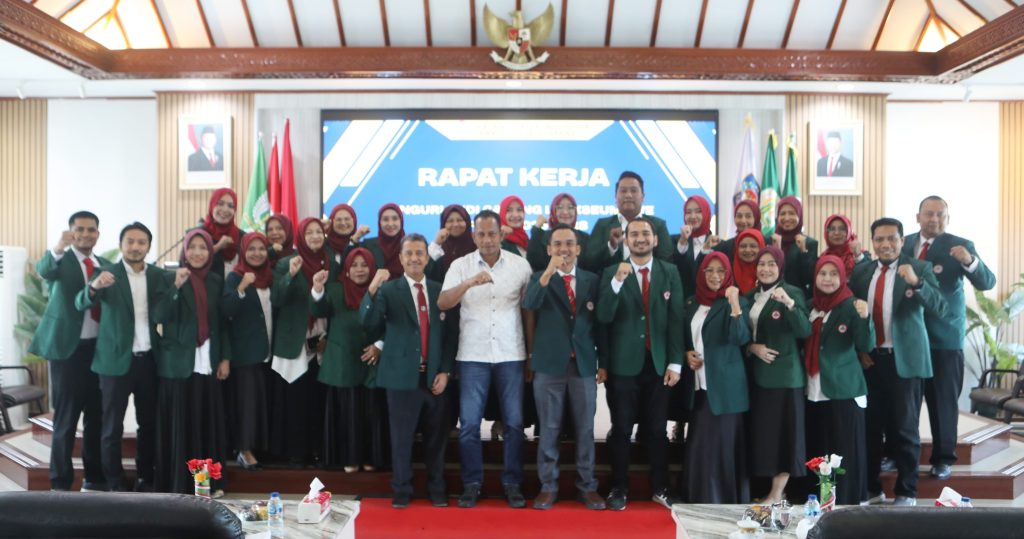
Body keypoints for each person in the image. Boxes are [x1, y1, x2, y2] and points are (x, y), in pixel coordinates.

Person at [438, 210, 533, 509]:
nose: (487, 239)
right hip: (472, 355)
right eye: (481, 234)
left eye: (492, 233)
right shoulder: (460, 265)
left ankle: (513, 484)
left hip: (511, 354)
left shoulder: (520, 266)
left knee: (514, 424)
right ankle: (472, 484)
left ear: (501, 234)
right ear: (474, 236)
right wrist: (467, 284)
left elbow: (528, 311)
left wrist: (530, 355)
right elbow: (443, 302)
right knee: (468, 425)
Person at [851, 217, 946, 506]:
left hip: (905, 362)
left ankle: (906, 491)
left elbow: (940, 308)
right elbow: (853, 315)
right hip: (870, 362)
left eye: (892, 238)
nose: (886, 244)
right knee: (869, 428)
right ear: (873, 242)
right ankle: (871, 488)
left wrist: (917, 283)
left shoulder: (919, 268)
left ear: (902, 241)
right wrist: (859, 349)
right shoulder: (862, 272)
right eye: (879, 239)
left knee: (905, 429)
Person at [903, 196, 996, 480]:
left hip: (943, 338)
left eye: (940, 215)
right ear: (918, 216)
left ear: (947, 219)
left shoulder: (960, 245)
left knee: (943, 402)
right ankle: (898, 454)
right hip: (907, 337)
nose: (934, 219)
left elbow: (987, 282)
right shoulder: (903, 243)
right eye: (929, 214)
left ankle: (943, 458)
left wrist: (970, 261)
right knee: (904, 403)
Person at [75, 222, 170, 492]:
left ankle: (145, 478)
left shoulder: (159, 276)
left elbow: (166, 310)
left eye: (141, 242)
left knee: (148, 424)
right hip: (114, 362)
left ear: (149, 246)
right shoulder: (107, 273)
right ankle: (114, 483)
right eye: (130, 241)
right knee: (111, 427)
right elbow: (81, 302)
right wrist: (94, 287)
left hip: (149, 360)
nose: (135, 247)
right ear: (121, 244)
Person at [597, 217, 683, 511]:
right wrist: (617, 283)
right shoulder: (612, 272)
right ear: (626, 240)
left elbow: (676, 319)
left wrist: (675, 362)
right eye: (634, 234)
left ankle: (661, 487)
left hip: (658, 364)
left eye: (646, 233)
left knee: (657, 429)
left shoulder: (670, 272)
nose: (641, 238)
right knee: (621, 428)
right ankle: (619, 487)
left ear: (655, 239)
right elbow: (603, 316)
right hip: (623, 365)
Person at [361, 234, 451, 509]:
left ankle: (437, 489)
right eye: (409, 253)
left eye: (419, 253)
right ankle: (401, 489)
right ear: (400, 259)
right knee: (401, 438)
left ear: (427, 257)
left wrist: (446, 371)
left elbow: (450, 335)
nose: (414, 258)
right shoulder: (390, 290)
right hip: (401, 378)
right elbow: (369, 323)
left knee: (437, 439)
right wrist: (372, 289)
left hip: (434, 377)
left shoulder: (439, 290)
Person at [522, 224, 605, 511]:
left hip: (583, 364)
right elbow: (530, 303)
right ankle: (548, 487)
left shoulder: (591, 280)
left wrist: (603, 362)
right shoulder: (539, 277)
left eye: (569, 243)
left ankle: (587, 486)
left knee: (585, 428)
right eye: (557, 244)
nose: (563, 249)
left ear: (578, 248)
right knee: (549, 428)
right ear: (549, 249)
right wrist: (547, 272)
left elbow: (599, 325)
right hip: (548, 364)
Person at [30, 211, 110, 492]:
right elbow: (44, 270)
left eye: (91, 230)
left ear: (98, 234)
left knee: (96, 417)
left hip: (98, 351)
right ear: (71, 232)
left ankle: (95, 478)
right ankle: (60, 483)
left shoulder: (104, 265)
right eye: (80, 229)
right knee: (66, 419)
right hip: (68, 351)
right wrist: (58, 247)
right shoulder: (60, 261)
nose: (86, 234)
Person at [153, 230, 228, 495]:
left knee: (205, 423)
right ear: (184, 250)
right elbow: (158, 315)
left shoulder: (216, 280)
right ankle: (180, 484)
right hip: (178, 364)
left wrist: (225, 357)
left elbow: (221, 322)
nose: (197, 252)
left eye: (203, 247)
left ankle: (207, 484)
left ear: (210, 252)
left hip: (207, 359)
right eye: (192, 247)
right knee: (181, 425)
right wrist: (175, 286)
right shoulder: (169, 277)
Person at [681, 252, 751, 504]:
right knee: (700, 445)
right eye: (709, 270)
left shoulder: (737, 302)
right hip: (698, 385)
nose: (715, 276)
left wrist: (734, 303)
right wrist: (685, 354)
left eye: (721, 271)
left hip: (725, 387)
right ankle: (698, 496)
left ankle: (720, 499)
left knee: (720, 446)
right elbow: (684, 338)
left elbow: (739, 338)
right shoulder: (691, 303)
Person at [744, 246, 811, 504]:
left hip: (785, 377)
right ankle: (767, 490)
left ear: (780, 267)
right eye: (762, 264)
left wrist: (790, 304)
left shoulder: (792, 292)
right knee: (766, 436)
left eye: (772, 264)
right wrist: (752, 347)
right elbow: (743, 333)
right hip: (756, 376)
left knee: (785, 436)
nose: (766, 269)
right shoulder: (750, 296)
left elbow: (804, 331)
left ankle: (777, 493)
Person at [804, 255, 873, 505]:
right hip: (813, 388)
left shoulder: (852, 305)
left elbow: (866, 345)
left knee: (844, 451)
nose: (828, 279)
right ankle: (823, 501)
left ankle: (849, 502)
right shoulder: (810, 306)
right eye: (823, 273)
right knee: (819, 450)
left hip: (844, 389)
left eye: (834, 274)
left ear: (843, 277)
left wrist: (865, 318)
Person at [311, 248, 388, 473]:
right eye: (354, 265)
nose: (359, 270)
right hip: (342, 361)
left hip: (371, 359)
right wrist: (317, 289)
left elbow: (394, 322)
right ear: (346, 269)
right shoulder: (335, 289)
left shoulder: (383, 290)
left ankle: (371, 457)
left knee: (371, 412)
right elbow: (318, 309)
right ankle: (350, 458)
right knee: (347, 413)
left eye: (364, 265)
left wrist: (380, 345)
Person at [269, 218, 330, 467]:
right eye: (309, 232)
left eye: (318, 231)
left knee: (317, 400)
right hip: (294, 341)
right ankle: (295, 452)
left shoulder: (330, 263)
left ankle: (316, 449)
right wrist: (291, 275)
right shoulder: (287, 263)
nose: (315, 236)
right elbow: (277, 299)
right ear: (301, 237)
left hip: (321, 340)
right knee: (294, 400)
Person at [221, 233, 275, 471]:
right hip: (245, 353)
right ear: (243, 252)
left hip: (269, 351)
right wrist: (242, 287)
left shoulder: (270, 276)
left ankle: (257, 447)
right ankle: (243, 449)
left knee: (261, 403)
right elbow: (226, 310)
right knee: (247, 404)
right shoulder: (235, 276)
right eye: (251, 249)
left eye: (261, 248)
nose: (257, 253)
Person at [583, 171, 673, 272]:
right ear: (615, 196)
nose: (628, 195)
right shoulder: (603, 225)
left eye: (634, 191)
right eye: (623, 191)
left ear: (643, 196)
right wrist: (611, 246)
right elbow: (589, 262)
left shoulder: (658, 225)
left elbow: (667, 262)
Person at [526, 192, 590, 272]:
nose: (565, 212)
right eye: (560, 207)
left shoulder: (585, 238)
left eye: (570, 207)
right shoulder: (542, 237)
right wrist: (536, 229)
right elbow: (534, 262)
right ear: (553, 211)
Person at [672, 194, 718, 297]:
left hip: (708, 300)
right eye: (688, 212)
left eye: (698, 211)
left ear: (706, 213)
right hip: (681, 300)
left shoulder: (717, 244)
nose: (693, 216)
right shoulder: (674, 241)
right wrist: (682, 242)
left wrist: (706, 249)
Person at [772, 197, 818, 297]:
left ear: (800, 215)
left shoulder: (809, 243)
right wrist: (776, 251)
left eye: (792, 213)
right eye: (782, 213)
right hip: (772, 296)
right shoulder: (769, 240)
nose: (787, 218)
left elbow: (809, 279)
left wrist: (803, 251)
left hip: (798, 297)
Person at [202, 188, 244, 277]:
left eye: (231, 206)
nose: (225, 209)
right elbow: (188, 263)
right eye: (220, 204)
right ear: (212, 205)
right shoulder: (198, 235)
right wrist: (218, 246)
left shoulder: (242, 237)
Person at [324, 203, 370, 275]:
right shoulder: (323, 246)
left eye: (347, 219)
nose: (343, 223)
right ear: (331, 222)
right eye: (338, 219)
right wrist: (319, 228)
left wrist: (354, 240)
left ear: (354, 221)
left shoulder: (363, 248)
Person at [363, 204, 406, 280]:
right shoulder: (368, 245)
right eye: (385, 219)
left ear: (401, 221)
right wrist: (355, 238)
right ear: (379, 222)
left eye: (395, 219)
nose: (390, 224)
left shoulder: (411, 246)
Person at [822, 214, 869, 279]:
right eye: (832, 229)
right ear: (827, 233)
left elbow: (868, 277)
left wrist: (858, 256)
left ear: (849, 231)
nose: (837, 233)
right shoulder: (823, 258)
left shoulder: (862, 255)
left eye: (842, 229)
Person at [731, 228, 766, 295]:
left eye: (753, 246)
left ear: (761, 247)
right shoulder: (729, 273)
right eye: (743, 246)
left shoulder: (769, 272)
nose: (747, 250)